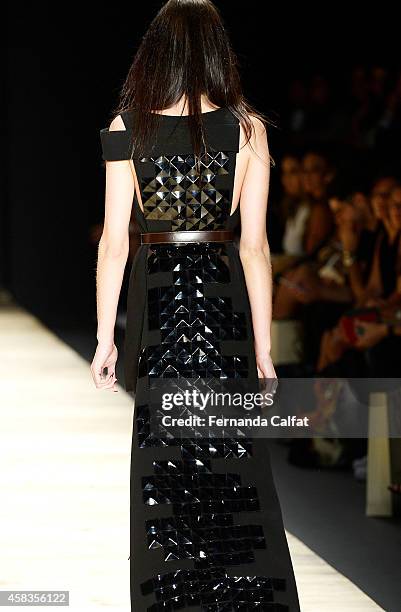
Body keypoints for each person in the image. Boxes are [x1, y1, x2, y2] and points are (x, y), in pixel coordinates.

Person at [91, 1, 300, 610]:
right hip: (224, 300)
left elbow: (114, 242)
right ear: (217, 52)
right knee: (232, 448)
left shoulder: (127, 126)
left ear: (155, 51)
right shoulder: (248, 129)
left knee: (166, 449)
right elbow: (256, 246)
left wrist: (106, 338)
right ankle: (244, 595)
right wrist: (264, 348)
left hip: (158, 305)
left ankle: (173, 595)